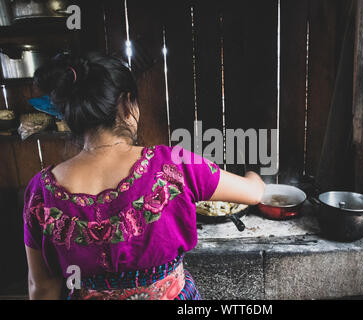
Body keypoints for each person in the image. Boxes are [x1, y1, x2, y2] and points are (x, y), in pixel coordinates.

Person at [24, 53, 265, 300]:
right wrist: (253, 174)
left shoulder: (40, 190)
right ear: (127, 104)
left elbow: (41, 286)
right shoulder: (174, 163)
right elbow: (254, 193)